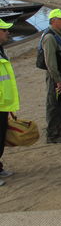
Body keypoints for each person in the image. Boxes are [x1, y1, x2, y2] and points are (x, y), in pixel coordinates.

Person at [40, 9, 61, 143]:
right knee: (54, 103)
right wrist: (58, 81)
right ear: (53, 21)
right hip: (56, 76)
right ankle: (52, 134)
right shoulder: (49, 37)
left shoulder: (58, 34)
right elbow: (50, 62)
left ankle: (58, 127)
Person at [0, 19, 19, 186]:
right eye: (4, 30)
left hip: (3, 104)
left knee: (1, 138)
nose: (8, 33)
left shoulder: (1, 50)